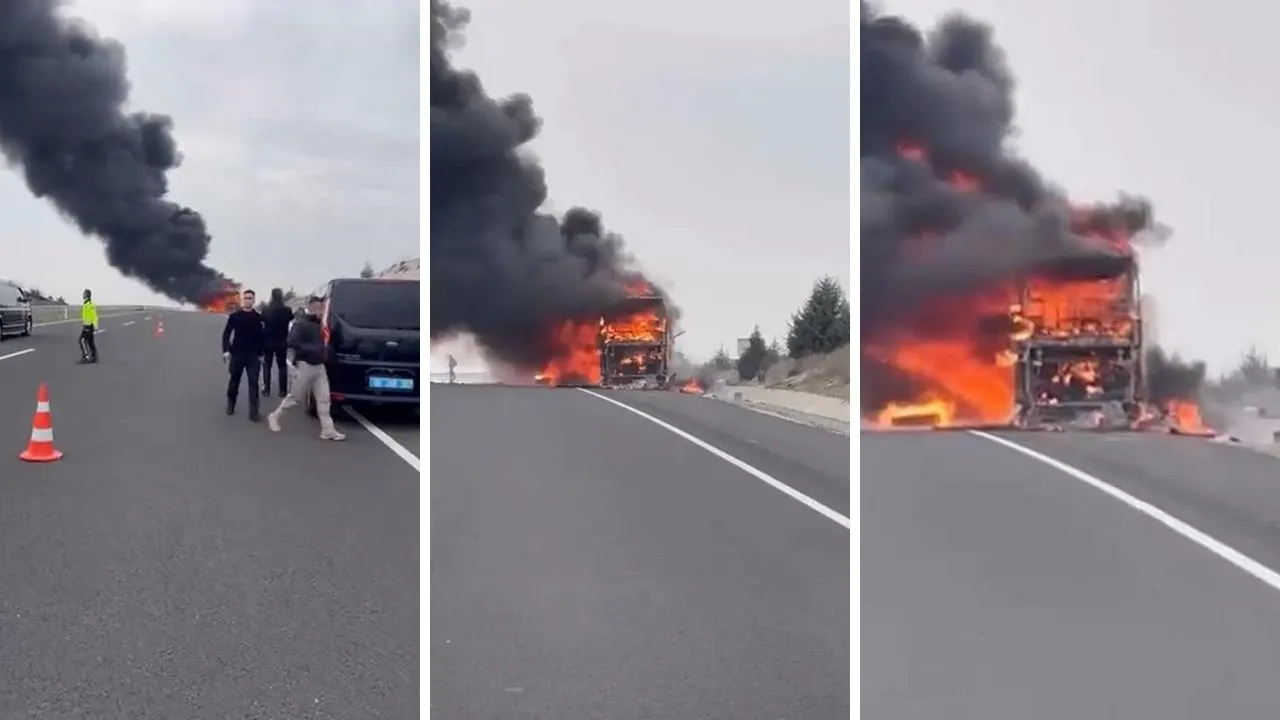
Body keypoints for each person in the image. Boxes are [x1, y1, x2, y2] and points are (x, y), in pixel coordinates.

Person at [267, 295, 345, 441]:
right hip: (306, 365)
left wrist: (326, 352)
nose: (320, 310)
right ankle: (275, 416)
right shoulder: (301, 323)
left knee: (324, 399)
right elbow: (291, 341)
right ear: (311, 308)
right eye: (318, 307)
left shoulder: (322, 325)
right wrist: (312, 349)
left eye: (321, 307)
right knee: (295, 398)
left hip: (320, 366)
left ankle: (328, 430)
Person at [222, 289, 266, 421]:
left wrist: (261, 354)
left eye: (250, 298)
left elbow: (262, 337)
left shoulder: (258, 318)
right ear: (243, 300)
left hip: (253, 356)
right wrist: (226, 351)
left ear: (253, 300)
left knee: (254, 383)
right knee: (234, 381)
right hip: (237, 354)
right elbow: (226, 334)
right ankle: (231, 403)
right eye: (246, 298)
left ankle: (254, 413)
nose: (247, 300)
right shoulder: (235, 316)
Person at [261, 288, 293, 398]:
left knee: (267, 365)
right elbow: (291, 318)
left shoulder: (266, 310)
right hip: (282, 341)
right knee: (282, 366)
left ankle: (266, 389)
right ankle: (282, 391)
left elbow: (262, 320)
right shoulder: (287, 310)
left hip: (268, 341)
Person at [79, 288, 98, 363]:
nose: (82, 295)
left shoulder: (90, 304)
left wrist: (95, 326)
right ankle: (94, 357)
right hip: (87, 325)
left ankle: (86, 357)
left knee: (82, 340)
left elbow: (94, 315)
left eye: (83, 294)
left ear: (86, 295)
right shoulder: (86, 303)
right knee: (90, 342)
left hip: (88, 326)